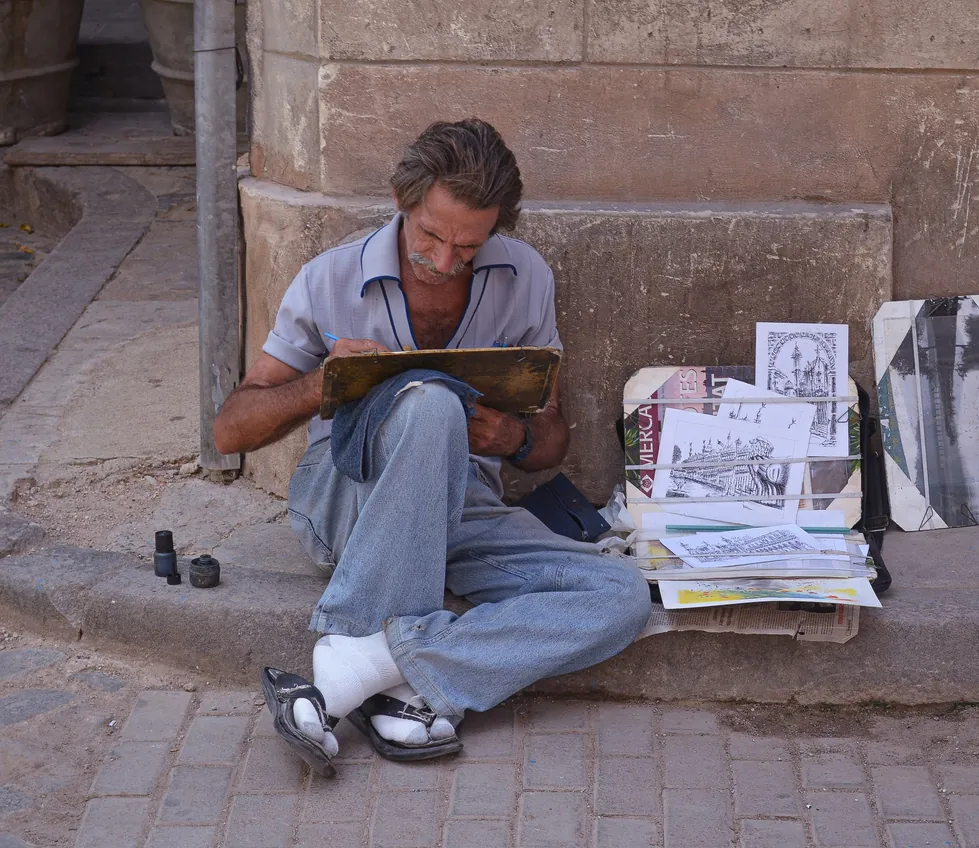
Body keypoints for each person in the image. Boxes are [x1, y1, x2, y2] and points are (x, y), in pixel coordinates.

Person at [212, 119, 652, 775]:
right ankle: (394, 683)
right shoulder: (329, 280)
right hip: (349, 503)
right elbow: (230, 430)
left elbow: (551, 439)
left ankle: (361, 668)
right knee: (431, 403)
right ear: (402, 202)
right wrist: (318, 384)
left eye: (468, 248)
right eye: (431, 237)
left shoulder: (524, 276)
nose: (445, 262)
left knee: (624, 597)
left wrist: (514, 435)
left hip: (464, 512)